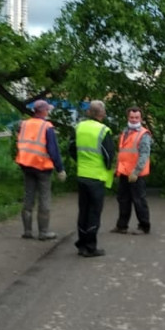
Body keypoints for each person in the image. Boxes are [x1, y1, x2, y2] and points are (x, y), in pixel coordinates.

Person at [15, 99, 67, 240]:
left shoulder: (23, 124)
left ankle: (27, 231)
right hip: (42, 167)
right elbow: (53, 150)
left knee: (28, 196)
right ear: (43, 111)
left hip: (26, 165)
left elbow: (19, 142)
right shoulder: (47, 126)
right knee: (44, 198)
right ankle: (43, 232)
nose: (48, 112)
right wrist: (60, 169)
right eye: (47, 110)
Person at [69, 100, 115, 257]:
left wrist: (81, 162)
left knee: (83, 211)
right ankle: (90, 246)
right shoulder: (103, 130)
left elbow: (71, 148)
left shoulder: (79, 127)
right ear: (102, 114)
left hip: (82, 174)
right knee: (94, 213)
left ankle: (81, 244)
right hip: (96, 176)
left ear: (89, 112)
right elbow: (108, 156)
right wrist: (108, 168)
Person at [111, 106, 152, 235]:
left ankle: (144, 226)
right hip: (124, 172)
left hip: (136, 174)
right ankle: (122, 226)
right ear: (128, 117)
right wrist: (117, 168)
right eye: (131, 117)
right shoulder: (125, 132)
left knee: (139, 200)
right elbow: (122, 153)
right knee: (123, 200)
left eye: (136, 117)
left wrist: (136, 171)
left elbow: (144, 154)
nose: (134, 120)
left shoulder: (143, 134)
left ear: (141, 118)